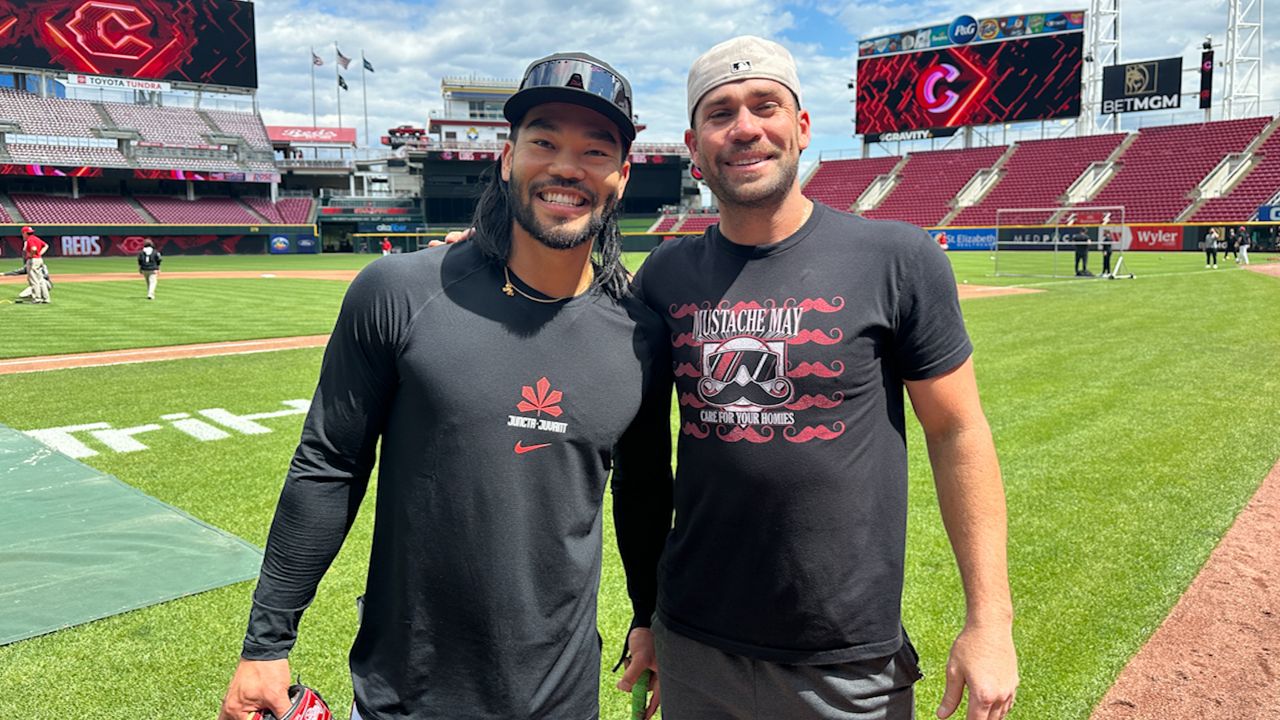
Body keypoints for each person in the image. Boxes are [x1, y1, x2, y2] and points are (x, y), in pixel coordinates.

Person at [218, 51, 671, 720]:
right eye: (544, 141)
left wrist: (648, 613)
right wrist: (265, 642)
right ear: (506, 158)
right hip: (409, 695)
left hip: (563, 700)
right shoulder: (398, 293)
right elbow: (329, 464)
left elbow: (643, 487)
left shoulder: (639, 333)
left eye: (595, 150)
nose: (568, 167)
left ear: (623, 175)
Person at [612, 36, 1018, 720]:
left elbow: (957, 432)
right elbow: (644, 466)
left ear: (801, 126)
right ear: (694, 143)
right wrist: (646, 617)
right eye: (720, 114)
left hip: (845, 658)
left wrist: (991, 620)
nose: (744, 128)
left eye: (764, 105)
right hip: (695, 644)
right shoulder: (665, 277)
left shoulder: (895, 258)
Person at [21, 226, 50, 304]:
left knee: (34, 280)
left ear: (24, 233)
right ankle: (46, 298)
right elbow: (46, 245)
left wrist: (32, 255)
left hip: (33, 260)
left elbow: (33, 248)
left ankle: (37, 299)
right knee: (41, 280)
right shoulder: (36, 238)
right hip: (39, 260)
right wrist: (39, 254)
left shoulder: (30, 239)